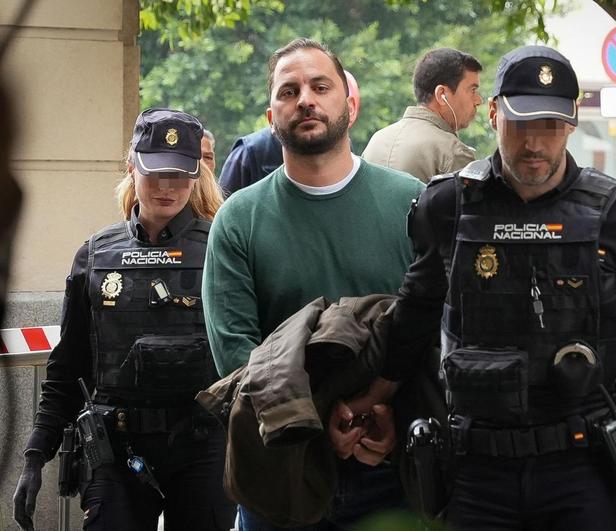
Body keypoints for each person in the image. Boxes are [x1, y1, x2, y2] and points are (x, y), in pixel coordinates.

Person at [344, 45, 616, 530]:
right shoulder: (448, 206)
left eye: (550, 125)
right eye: (521, 123)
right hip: (475, 472)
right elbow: (415, 315)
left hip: (581, 469)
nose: (535, 142)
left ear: (572, 122)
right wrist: (375, 396)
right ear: (493, 114)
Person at [202, 38, 424, 530]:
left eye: (320, 86)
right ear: (270, 116)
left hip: (395, 470)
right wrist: (317, 425)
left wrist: (388, 413)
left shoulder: (413, 203)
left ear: (351, 102)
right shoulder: (238, 219)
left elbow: (438, 327)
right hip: (281, 470)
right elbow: (235, 349)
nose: (305, 99)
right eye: (289, 90)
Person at [13, 108, 236, 531]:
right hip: (116, 447)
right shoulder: (96, 255)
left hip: (203, 444)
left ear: (196, 175)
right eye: (154, 173)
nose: (167, 187)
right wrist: (34, 456)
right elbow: (68, 365)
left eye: (179, 174)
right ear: (132, 167)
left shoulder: (224, 249)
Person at [218, 71, 360, 197]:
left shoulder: (354, 164)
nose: (306, 101)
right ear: (271, 118)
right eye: (289, 93)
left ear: (350, 109)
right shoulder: (249, 153)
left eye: (321, 89)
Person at [362, 47, 482, 183]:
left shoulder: (376, 141)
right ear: (442, 94)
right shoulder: (452, 152)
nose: (479, 100)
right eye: (472, 90)